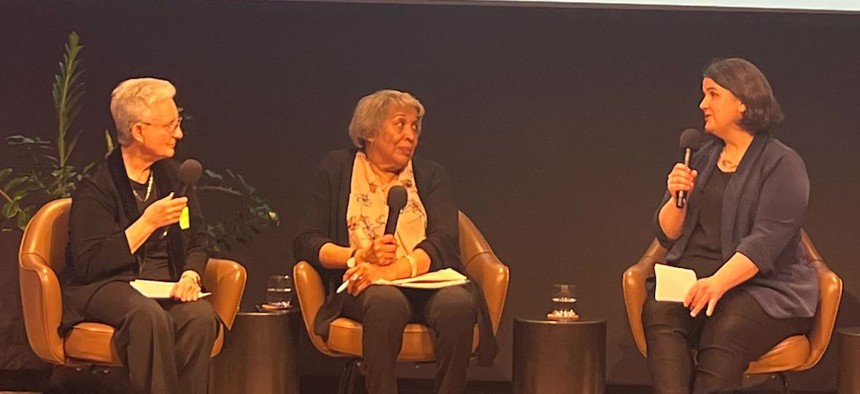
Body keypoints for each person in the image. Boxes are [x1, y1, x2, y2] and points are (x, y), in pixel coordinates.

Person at [293, 89, 496, 394]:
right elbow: (306, 241)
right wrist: (358, 256)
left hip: (427, 281)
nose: (410, 135)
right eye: (400, 124)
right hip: (365, 285)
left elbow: (444, 239)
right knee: (383, 302)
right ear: (369, 131)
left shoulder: (431, 175)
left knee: (457, 304)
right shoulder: (336, 168)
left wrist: (394, 270)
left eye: (415, 127)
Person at [642, 58, 820, 394]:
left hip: (765, 290)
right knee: (660, 312)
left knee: (727, 327)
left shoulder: (783, 163)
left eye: (712, 94)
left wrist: (716, 284)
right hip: (698, 280)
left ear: (743, 101)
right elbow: (667, 233)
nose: (702, 104)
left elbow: (765, 243)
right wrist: (675, 196)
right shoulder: (703, 158)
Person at [60, 78, 218, 394]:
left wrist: (190, 276)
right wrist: (146, 223)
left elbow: (199, 237)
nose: (179, 133)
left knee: (200, 316)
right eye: (169, 126)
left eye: (178, 122)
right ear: (138, 132)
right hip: (105, 285)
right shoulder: (97, 185)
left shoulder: (174, 177)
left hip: (162, 284)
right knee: (147, 316)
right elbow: (90, 264)